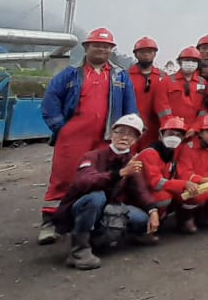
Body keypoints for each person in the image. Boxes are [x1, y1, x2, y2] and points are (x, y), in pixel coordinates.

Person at [39, 27, 138, 245]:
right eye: (97, 45)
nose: (102, 49)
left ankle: (91, 222)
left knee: (101, 177)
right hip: (73, 136)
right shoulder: (70, 73)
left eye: (106, 46)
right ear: (86, 47)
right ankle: (50, 222)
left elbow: (130, 107)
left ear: (111, 49)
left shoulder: (120, 75)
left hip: (105, 137)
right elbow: (50, 100)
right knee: (64, 177)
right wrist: (60, 128)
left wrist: (130, 131)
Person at [53, 114, 159, 270]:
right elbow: (84, 181)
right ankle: (79, 250)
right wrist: (119, 173)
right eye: (121, 132)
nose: (125, 137)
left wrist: (153, 210)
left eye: (131, 134)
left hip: (112, 207)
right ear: (112, 134)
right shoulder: (93, 155)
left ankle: (109, 236)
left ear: (136, 139)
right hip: (82, 208)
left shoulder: (131, 161)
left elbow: (140, 189)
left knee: (143, 221)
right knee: (96, 197)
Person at [135, 116, 198, 233]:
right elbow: (156, 183)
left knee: (191, 193)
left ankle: (183, 220)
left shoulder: (170, 152)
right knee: (164, 196)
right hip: (139, 195)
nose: (174, 138)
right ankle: (144, 230)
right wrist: (184, 184)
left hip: (156, 191)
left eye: (178, 135)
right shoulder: (150, 153)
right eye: (170, 134)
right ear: (161, 135)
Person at [128, 37, 170, 152]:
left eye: (149, 51)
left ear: (155, 54)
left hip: (154, 130)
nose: (146, 54)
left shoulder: (163, 77)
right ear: (136, 54)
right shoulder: (125, 76)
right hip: (130, 127)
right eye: (142, 52)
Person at [166, 46, 207, 131]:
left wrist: (195, 128)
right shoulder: (167, 81)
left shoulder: (203, 83)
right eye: (187, 60)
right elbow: (162, 107)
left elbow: (204, 109)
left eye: (194, 61)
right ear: (180, 62)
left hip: (194, 131)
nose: (190, 63)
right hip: (171, 129)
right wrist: (172, 125)